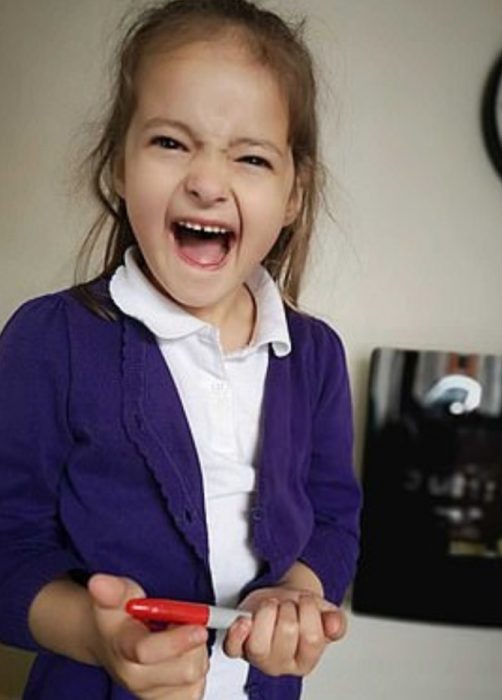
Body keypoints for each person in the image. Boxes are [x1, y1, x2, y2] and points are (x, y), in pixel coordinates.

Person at [0, 0, 361, 698]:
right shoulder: (51, 339)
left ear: (293, 192)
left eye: (251, 157)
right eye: (170, 142)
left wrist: (296, 592)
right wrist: (94, 635)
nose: (207, 180)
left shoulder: (314, 355)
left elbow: (333, 518)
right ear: (117, 164)